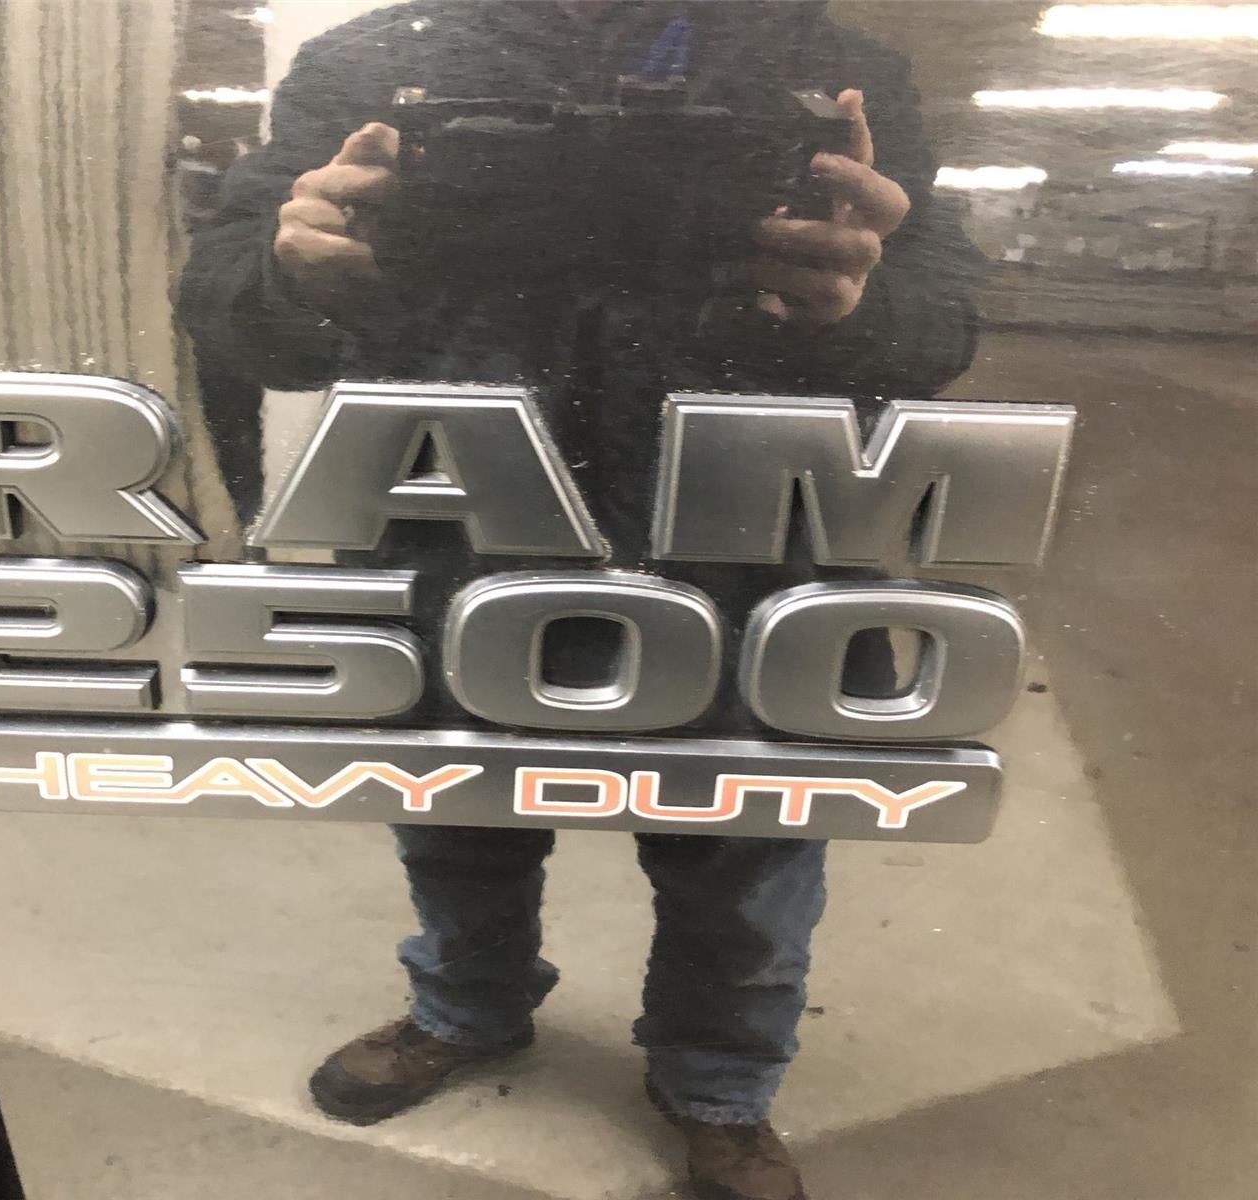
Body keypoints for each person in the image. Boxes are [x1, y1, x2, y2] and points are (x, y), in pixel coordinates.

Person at [182, 4, 982, 1197]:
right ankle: (467, 1006)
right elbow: (225, 302)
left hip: (742, 537)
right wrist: (289, 269)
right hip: (458, 518)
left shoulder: (828, 69)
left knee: (745, 846)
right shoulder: (377, 62)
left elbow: (943, 313)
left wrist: (863, 304)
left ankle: (718, 1083)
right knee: (457, 811)